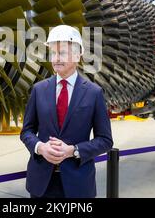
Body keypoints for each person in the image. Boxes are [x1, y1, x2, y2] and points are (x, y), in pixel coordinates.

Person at [20, 25, 113, 198]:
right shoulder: (39, 89)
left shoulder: (93, 93)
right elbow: (27, 131)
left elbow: (105, 140)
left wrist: (73, 150)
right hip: (41, 184)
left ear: (77, 56)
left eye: (61, 53)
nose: (56, 58)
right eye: (53, 53)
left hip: (77, 184)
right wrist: (40, 148)